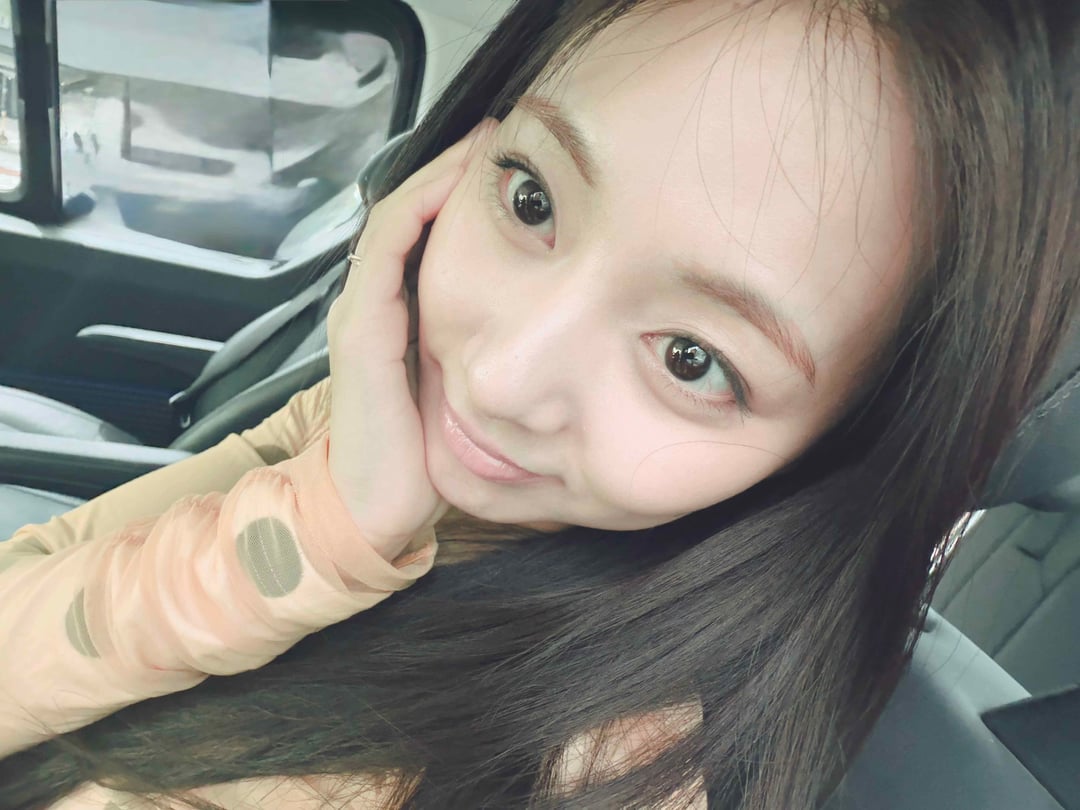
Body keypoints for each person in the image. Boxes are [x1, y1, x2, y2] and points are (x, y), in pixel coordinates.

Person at [0, 0, 1076, 807]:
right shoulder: (366, 428)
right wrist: (322, 528)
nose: (499, 378)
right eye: (530, 197)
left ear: (834, 451)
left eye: (692, 359)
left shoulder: (614, 771)